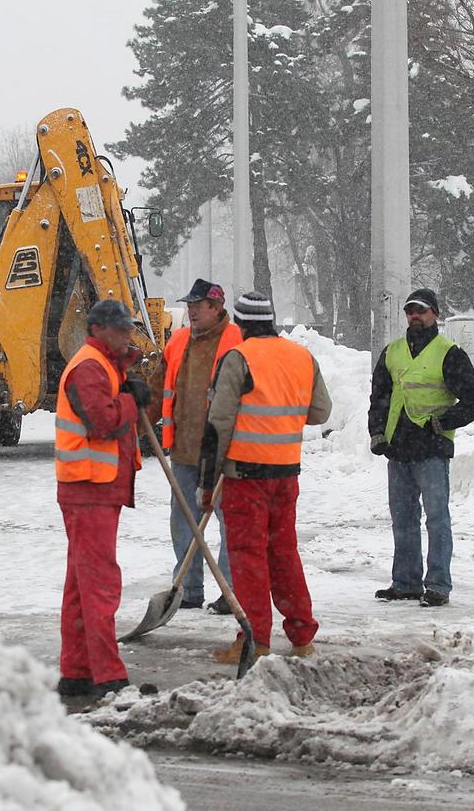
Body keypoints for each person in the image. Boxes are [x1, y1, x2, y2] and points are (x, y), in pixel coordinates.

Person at [197, 291, 331, 664]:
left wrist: (207, 484)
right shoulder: (301, 356)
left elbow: (218, 423)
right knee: (284, 554)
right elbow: (320, 411)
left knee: (248, 557)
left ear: (240, 325)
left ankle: (254, 640)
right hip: (286, 474)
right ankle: (302, 635)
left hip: (245, 476)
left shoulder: (238, 358)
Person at [54, 299, 151, 698]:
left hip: (93, 487)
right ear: (98, 330)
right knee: (100, 584)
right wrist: (132, 401)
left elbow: (112, 389)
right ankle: (108, 673)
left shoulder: (102, 365)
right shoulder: (89, 367)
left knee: (81, 585)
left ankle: (76, 671)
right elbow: (104, 421)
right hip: (89, 487)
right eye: (122, 330)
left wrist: (126, 373)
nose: (128, 335)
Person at [368, 288, 474, 608]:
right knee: (403, 518)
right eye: (409, 311)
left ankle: (437, 584)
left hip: (432, 448)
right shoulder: (392, 352)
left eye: (420, 310)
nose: (414, 316)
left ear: (434, 313)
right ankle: (405, 582)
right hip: (399, 448)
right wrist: (376, 432)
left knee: (437, 518)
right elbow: (379, 396)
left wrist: (445, 422)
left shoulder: (449, 353)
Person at [161, 278, 242, 614]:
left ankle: (229, 591)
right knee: (183, 521)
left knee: (229, 522)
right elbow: (160, 387)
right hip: (184, 450)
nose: (191, 311)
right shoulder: (177, 342)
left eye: (198, 305)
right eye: (189, 305)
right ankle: (189, 589)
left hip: (223, 453)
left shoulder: (237, 341)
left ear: (216, 307)